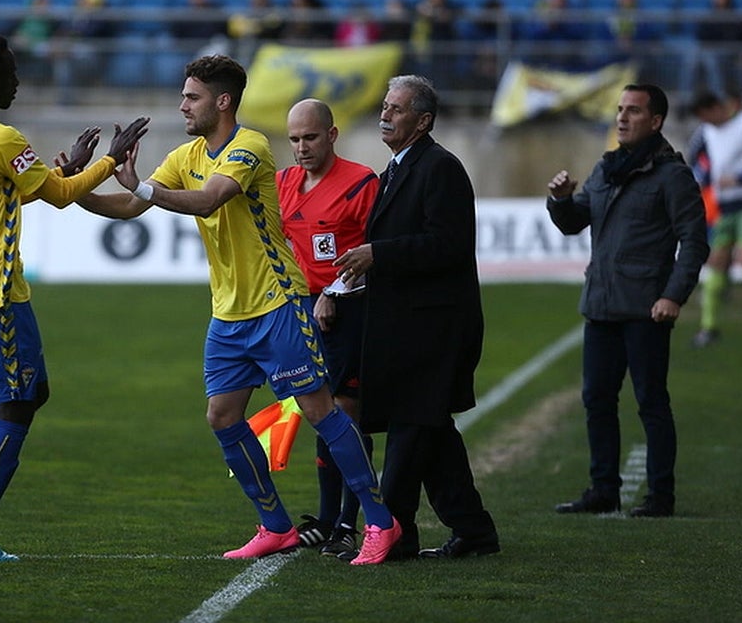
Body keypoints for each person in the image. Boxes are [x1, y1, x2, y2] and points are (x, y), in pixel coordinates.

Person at [76, 55, 400, 565]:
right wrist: (71, 191)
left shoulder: (249, 147)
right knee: (223, 416)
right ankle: (275, 525)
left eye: (192, 97)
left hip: (278, 303)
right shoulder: (186, 155)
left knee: (321, 412)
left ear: (222, 102)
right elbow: (130, 207)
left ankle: (382, 523)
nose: (183, 104)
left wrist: (137, 184)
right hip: (229, 314)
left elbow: (209, 201)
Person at [0, 31, 149, 562]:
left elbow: (19, 189)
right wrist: (109, 161)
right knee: (18, 404)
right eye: (13, 73)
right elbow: (60, 198)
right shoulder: (2, 138)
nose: (18, 82)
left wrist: (64, 169)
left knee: (25, 393)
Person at [332, 75, 499, 560]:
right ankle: (475, 531)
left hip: (435, 329)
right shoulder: (399, 168)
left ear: (423, 121)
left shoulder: (440, 168)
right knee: (432, 434)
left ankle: (393, 533)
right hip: (409, 326)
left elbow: (447, 245)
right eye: (384, 105)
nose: (385, 114)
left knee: (410, 429)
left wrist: (377, 255)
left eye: (396, 108)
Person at [547, 83, 709, 518]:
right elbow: (574, 222)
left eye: (633, 111)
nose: (622, 117)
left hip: (646, 309)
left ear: (655, 121)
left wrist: (673, 296)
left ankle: (661, 496)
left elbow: (694, 243)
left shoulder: (672, 176)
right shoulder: (606, 168)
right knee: (596, 401)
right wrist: (560, 201)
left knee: (651, 403)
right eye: (619, 109)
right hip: (600, 305)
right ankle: (603, 489)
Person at [276, 98, 379, 559]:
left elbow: (376, 252)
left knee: (345, 414)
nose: (301, 148)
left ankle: (349, 524)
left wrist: (333, 292)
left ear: (332, 135)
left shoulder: (361, 184)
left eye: (310, 138)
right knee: (321, 417)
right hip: (305, 313)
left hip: (353, 311)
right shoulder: (282, 184)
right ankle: (325, 517)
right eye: (295, 139)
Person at [686, 91, 742, 350]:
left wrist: (740, 178)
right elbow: (695, 162)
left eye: (707, 116)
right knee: (716, 259)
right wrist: (701, 176)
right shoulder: (705, 131)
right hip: (725, 204)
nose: (707, 122)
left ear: (717, 107)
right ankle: (709, 327)